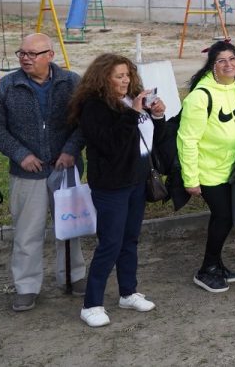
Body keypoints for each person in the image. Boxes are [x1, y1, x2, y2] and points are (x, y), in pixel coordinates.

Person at [0, 33, 85, 312]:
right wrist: (21, 155)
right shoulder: (8, 85)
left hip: (65, 168)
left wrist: (71, 150)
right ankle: (26, 286)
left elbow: (85, 122)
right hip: (27, 173)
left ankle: (73, 276)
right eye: (22, 53)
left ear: (50, 55)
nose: (25, 58)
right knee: (28, 231)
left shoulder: (72, 82)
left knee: (70, 225)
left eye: (32, 54)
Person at [70, 53, 166, 327]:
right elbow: (112, 145)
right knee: (110, 243)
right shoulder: (94, 106)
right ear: (103, 78)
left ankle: (128, 291)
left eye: (127, 75)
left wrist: (157, 116)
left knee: (130, 239)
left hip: (137, 181)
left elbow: (150, 140)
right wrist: (134, 114)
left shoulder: (132, 100)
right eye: (118, 76)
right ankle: (91, 304)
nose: (125, 81)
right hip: (112, 185)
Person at [179, 41, 235, 293]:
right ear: (212, 66)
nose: (228, 65)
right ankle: (206, 269)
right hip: (209, 171)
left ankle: (217, 263)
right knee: (223, 217)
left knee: (227, 218)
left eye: (232, 59)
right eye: (221, 61)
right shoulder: (201, 96)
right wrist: (191, 178)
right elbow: (187, 139)